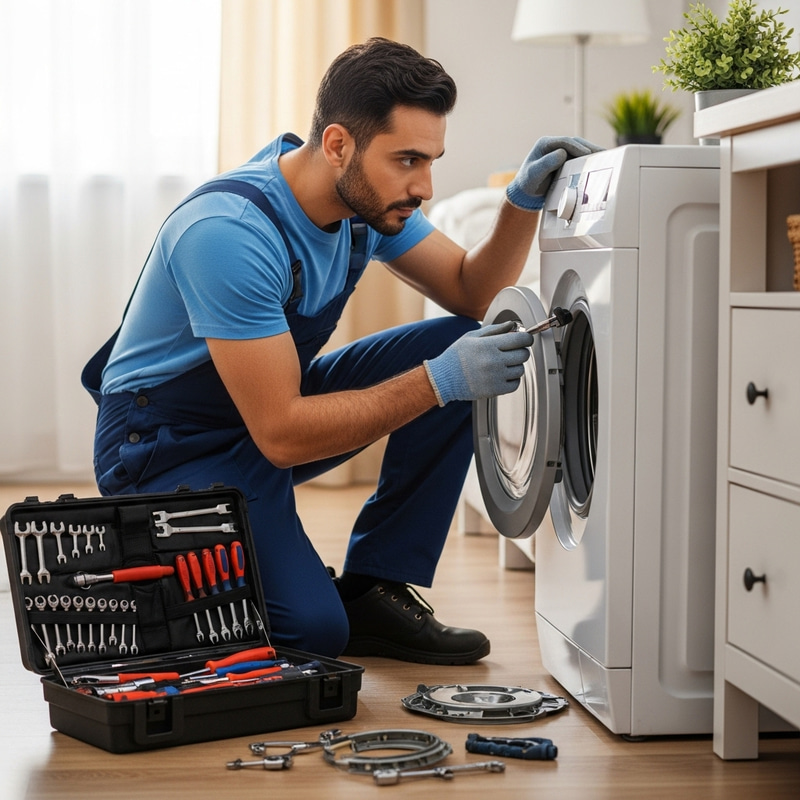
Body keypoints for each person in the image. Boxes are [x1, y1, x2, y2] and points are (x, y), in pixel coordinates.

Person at [82, 37, 601, 665]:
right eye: (407, 159)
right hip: (166, 449)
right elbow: (282, 435)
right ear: (337, 145)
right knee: (313, 634)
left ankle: (373, 587)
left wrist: (520, 202)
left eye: (432, 159)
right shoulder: (229, 234)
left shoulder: (364, 205)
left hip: (266, 416)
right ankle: (149, 553)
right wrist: (438, 382)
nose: (425, 186)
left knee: (457, 341)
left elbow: (472, 292)